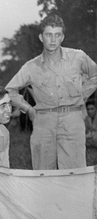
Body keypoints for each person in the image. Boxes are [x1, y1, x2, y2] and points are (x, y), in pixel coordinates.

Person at [6, 14, 97, 170]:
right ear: (41, 37)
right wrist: (28, 108)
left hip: (72, 120)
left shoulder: (78, 57)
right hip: (43, 122)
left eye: (57, 35)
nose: (53, 40)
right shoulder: (31, 66)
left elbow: (95, 75)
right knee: (43, 173)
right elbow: (10, 90)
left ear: (62, 37)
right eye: (49, 35)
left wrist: (83, 94)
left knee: (74, 173)